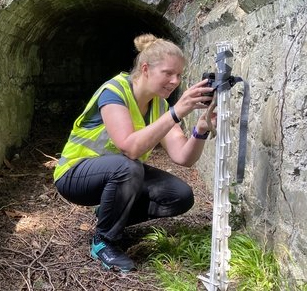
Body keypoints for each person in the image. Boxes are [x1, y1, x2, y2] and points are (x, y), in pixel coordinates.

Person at [53, 33, 216, 273]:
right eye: (168, 73)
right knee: (128, 166)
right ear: (146, 69)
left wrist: (200, 129)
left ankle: (108, 215)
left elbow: (183, 157)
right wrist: (177, 112)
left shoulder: (159, 104)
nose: (175, 81)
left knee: (179, 195)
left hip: (117, 175)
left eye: (179, 75)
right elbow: (130, 147)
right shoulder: (114, 91)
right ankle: (103, 242)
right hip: (75, 174)